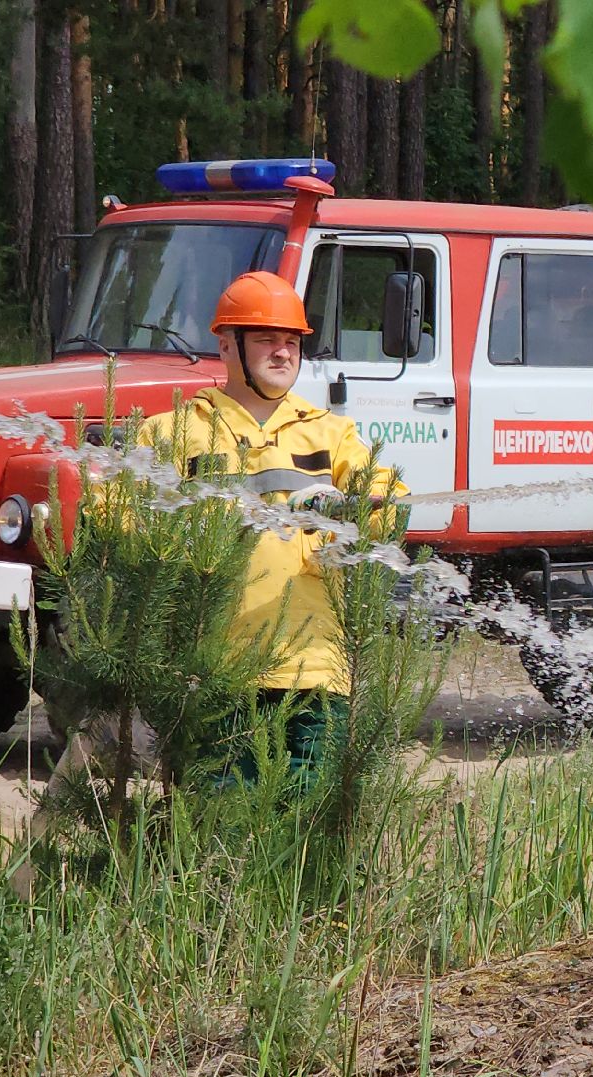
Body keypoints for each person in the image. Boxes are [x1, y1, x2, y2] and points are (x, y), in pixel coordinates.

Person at [137, 269, 407, 780]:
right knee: (216, 821)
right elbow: (119, 513)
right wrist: (185, 534)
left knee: (305, 828)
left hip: (317, 667)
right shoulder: (175, 430)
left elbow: (389, 501)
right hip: (214, 665)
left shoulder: (331, 433)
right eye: (265, 340)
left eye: (292, 341)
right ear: (226, 346)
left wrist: (358, 507)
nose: (283, 352)